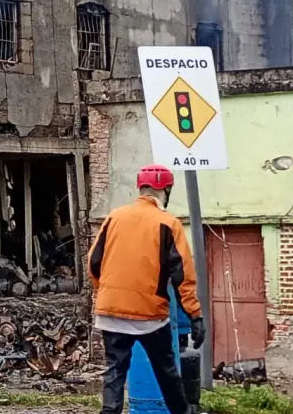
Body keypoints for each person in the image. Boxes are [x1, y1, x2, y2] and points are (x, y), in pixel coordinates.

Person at [88, 164, 206, 414]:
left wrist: (107, 292)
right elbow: (183, 275)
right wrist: (195, 316)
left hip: (110, 313)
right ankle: (183, 411)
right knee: (166, 370)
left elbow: (93, 262)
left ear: (140, 188)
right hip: (149, 315)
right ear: (167, 190)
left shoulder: (114, 217)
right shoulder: (167, 222)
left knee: (114, 372)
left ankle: (109, 411)